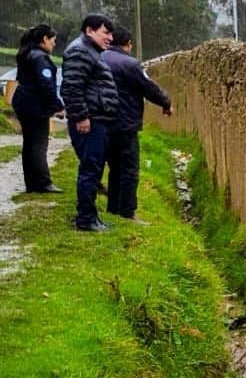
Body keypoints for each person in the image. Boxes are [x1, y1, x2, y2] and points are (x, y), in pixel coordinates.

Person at [101, 26, 173, 224]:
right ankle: (127, 211)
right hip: (125, 124)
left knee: (114, 167)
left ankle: (113, 207)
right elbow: (149, 88)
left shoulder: (100, 59)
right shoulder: (130, 64)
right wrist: (166, 103)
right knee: (129, 169)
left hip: (104, 123)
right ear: (128, 44)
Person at [60, 14, 118, 232]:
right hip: (90, 121)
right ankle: (86, 218)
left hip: (97, 119)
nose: (110, 38)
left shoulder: (91, 51)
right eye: (106, 32)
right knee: (90, 168)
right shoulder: (80, 51)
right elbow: (72, 87)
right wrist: (81, 116)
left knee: (93, 167)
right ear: (89, 31)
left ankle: (90, 215)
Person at [11, 24, 64, 193]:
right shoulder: (40, 58)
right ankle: (42, 182)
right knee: (39, 143)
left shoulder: (25, 53)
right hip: (34, 105)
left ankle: (31, 182)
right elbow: (46, 85)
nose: (54, 44)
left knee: (29, 143)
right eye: (53, 40)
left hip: (22, 101)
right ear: (45, 39)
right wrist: (58, 106)